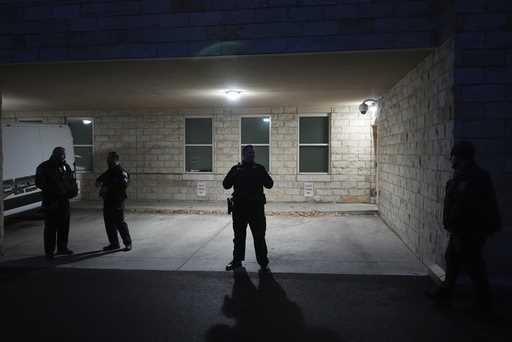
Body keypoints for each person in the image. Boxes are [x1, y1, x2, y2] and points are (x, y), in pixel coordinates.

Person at [427, 141, 501, 311]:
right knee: (452, 260)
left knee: (473, 265)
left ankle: (484, 302)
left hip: (469, 230)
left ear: (460, 157)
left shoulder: (476, 177)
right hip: (460, 229)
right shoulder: (462, 175)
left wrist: (473, 230)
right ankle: (446, 291)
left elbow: (477, 205)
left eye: (453, 156)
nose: (450, 159)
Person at [223, 145, 273, 272]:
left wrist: (262, 174)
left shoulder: (259, 169)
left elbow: (270, 184)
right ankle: (237, 261)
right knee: (239, 236)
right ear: (243, 155)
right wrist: (235, 173)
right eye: (249, 153)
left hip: (255, 209)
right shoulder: (236, 169)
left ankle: (263, 263)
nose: (251, 155)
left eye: (252, 153)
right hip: (240, 209)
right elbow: (226, 184)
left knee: (259, 236)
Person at [35, 147, 78, 259]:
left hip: (64, 201)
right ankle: (49, 251)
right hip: (51, 201)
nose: (63, 157)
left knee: (64, 226)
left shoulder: (65, 166)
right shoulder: (44, 167)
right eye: (61, 154)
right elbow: (39, 183)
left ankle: (62, 248)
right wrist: (55, 190)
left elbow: (71, 180)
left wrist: (73, 190)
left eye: (63, 154)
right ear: (54, 154)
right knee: (50, 228)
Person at [96, 152, 132, 251]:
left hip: (117, 201)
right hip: (108, 201)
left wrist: (108, 187)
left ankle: (127, 243)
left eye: (109, 159)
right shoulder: (109, 171)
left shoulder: (121, 171)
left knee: (120, 223)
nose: (108, 160)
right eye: (108, 159)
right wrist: (99, 183)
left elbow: (123, 185)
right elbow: (99, 179)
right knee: (109, 223)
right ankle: (114, 244)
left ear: (115, 159)